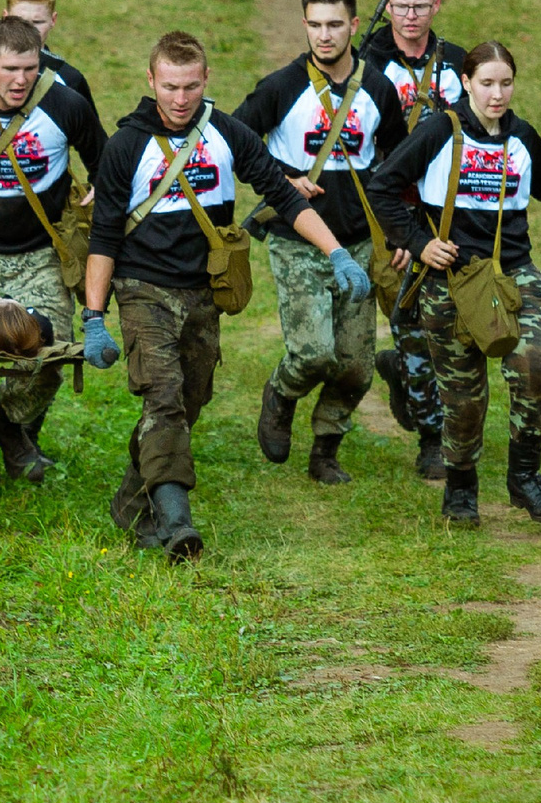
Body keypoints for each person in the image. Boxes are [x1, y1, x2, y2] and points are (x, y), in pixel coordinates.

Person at [84, 30, 368, 559]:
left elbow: (282, 194)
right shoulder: (126, 147)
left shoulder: (228, 133)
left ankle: (131, 501)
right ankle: (176, 525)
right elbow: (102, 237)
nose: (180, 98)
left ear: (206, 80)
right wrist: (94, 318)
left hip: (202, 293)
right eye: (170, 86)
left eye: (191, 86)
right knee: (162, 396)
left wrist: (336, 253)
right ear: (151, 81)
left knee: (187, 402)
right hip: (142, 288)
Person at [366, 40, 541, 526]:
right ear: (467, 83)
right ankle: (460, 490)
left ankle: (526, 477)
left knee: (534, 371)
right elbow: (383, 186)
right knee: (462, 398)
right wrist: (418, 241)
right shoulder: (439, 132)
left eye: (506, 83)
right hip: (448, 282)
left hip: (513, 277)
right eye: (487, 83)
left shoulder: (521, 137)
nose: (497, 94)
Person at [229, 0, 409, 484]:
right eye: (315, 25)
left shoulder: (378, 90)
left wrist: (400, 236)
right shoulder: (281, 87)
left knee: (356, 366)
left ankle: (326, 449)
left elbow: (398, 165)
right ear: (304, 25)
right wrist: (283, 176)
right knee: (312, 352)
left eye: (334, 25)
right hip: (296, 241)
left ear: (354, 26)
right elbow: (234, 141)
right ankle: (281, 395)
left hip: (358, 240)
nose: (324, 36)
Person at [0, 13, 106, 486]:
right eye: (10, 69)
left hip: (38, 253)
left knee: (49, 350)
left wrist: (98, 185)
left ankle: (9, 425)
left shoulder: (65, 104)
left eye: (29, 68)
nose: (20, 80)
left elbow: (105, 158)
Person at [358, 0, 470, 481]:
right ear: (388, 4)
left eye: (420, 6)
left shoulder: (458, 66)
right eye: (400, 7)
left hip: (448, 212)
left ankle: (410, 384)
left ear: (436, 4)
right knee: (408, 318)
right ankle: (431, 433)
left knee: (448, 322)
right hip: (389, 210)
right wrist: (397, 225)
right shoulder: (367, 64)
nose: (410, 17)